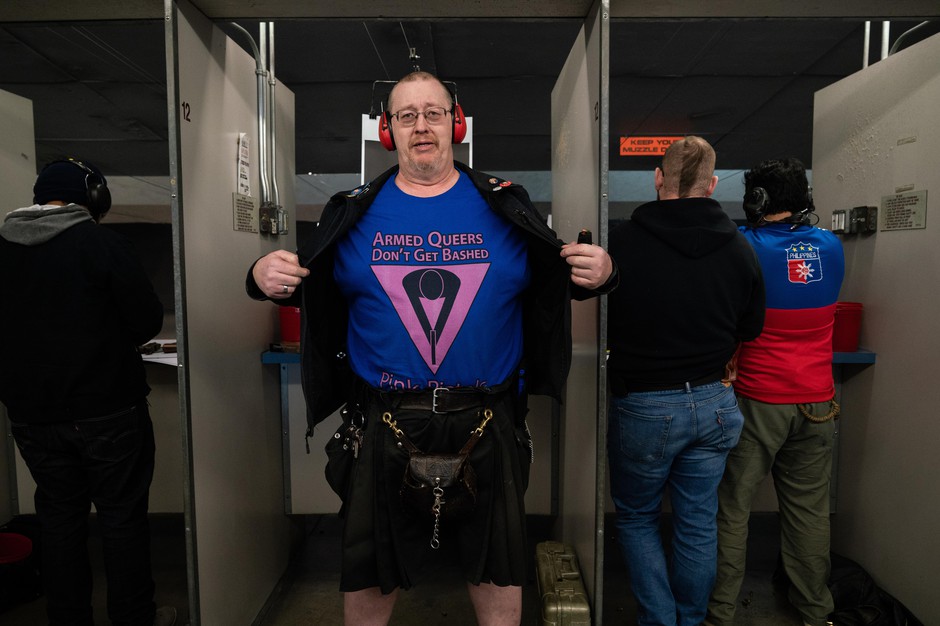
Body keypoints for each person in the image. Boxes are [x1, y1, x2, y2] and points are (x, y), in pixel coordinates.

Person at [246, 71, 616, 625]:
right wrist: (259, 273)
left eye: (433, 112)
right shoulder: (351, 212)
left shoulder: (505, 205)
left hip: (487, 417)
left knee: (497, 571)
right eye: (406, 115)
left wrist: (603, 272)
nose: (421, 125)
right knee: (370, 575)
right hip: (383, 418)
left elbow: (557, 276)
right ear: (389, 131)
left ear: (455, 122)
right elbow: (303, 279)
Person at [0, 158, 176, 626]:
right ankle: (134, 619)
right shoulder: (102, 243)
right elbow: (145, 321)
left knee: (59, 520)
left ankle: (68, 619)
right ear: (94, 196)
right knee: (121, 519)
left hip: (32, 418)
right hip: (108, 411)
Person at [605, 136, 766, 626]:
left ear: (658, 179)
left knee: (637, 517)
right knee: (697, 523)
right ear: (713, 185)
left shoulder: (622, 241)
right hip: (716, 402)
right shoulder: (741, 248)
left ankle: (660, 619)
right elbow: (751, 328)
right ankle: (690, 620)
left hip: (647, 406)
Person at [706, 157, 845, 626]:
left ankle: (720, 613)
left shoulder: (745, 248)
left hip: (759, 401)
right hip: (818, 403)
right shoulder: (832, 246)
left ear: (756, 200)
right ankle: (815, 612)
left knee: (732, 511)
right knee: (810, 514)